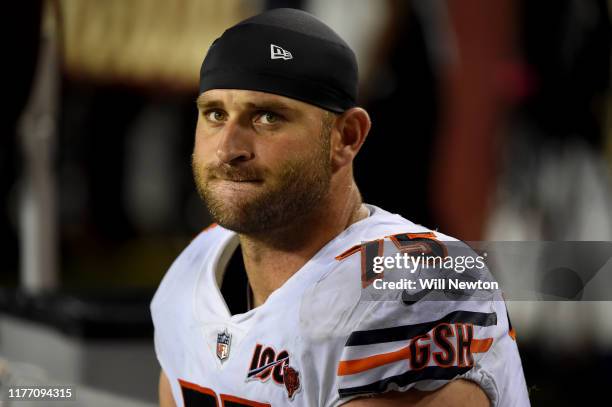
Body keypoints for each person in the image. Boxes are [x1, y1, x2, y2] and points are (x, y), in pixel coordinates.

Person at [151, 8, 530, 407]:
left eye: (267, 117)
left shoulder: (412, 289)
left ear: (346, 137)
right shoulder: (194, 267)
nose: (228, 149)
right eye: (215, 114)